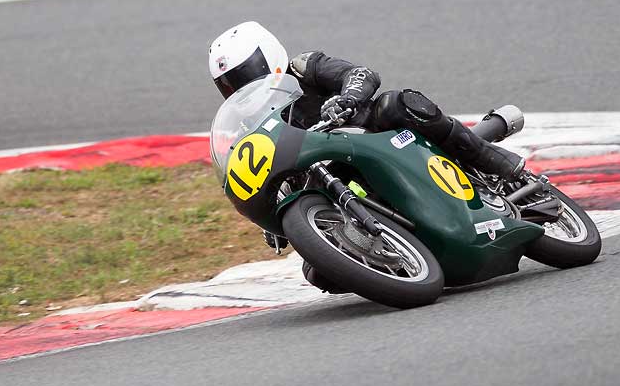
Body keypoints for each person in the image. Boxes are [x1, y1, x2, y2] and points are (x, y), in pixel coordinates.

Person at [209, 21, 525, 292]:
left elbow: (361, 74)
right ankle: (399, 259)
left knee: (398, 103)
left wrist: (346, 99)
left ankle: (491, 159)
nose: (243, 84)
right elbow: (258, 161)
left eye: (247, 72)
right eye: (231, 82)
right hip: (331, 173)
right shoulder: (245, 123)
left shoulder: (303, 67)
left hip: (371, 135)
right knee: (317, 272)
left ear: (270, 55)